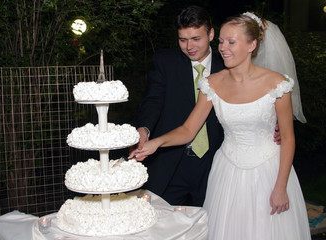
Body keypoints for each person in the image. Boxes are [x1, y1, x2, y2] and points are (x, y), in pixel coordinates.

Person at [130, 12, 311, 240]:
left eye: (231, 42)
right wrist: (155, 142)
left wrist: (280, 186)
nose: (223, 48)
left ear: (252, 45)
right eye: (222, 42)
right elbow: (188, 130)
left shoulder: (277, 84)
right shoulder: (211, 83)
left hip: (269, 171)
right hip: (227, 172)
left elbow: (288, 138)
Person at [130, 5, 225, 207]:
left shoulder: (227, 66)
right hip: (171, 160)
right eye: (183, 39)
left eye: (196, 39)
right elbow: (153, 100)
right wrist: (144, 129)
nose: (189, 46)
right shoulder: (165, 62)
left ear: (211, 34)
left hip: (216, 163)